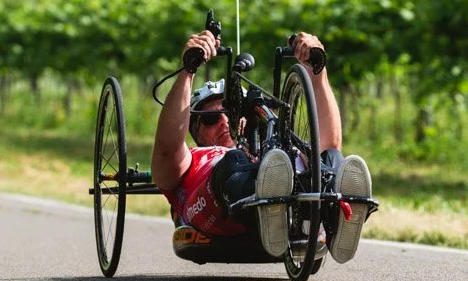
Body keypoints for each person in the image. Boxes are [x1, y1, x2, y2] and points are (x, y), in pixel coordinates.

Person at [150, 30, 373, 263]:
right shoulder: (191, 160)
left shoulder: (273, 149)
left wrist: (318, 70)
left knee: (329, 158)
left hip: (281, 175)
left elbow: (329, 142)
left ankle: (338, 211)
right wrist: (189, 69)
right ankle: (270, 201)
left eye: (231, 114)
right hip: (220, 203)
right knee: (234, 160)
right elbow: (168, 147)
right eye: (210, 118)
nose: (225, 122)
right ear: (194, 131)